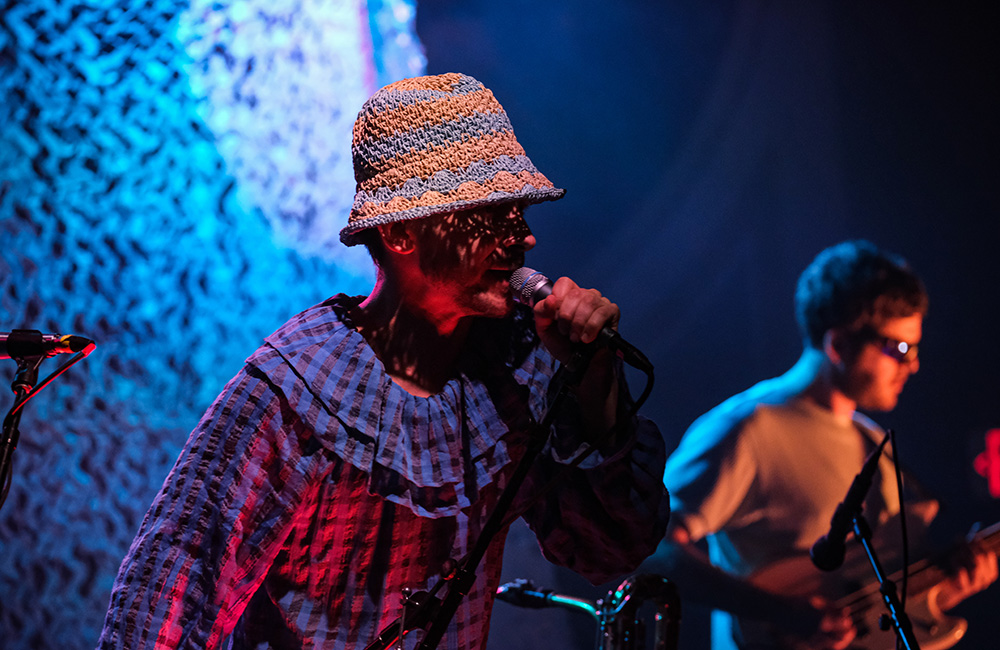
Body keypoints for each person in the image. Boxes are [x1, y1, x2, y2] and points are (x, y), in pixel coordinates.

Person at [95, 72, 670, 650]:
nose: (521, 237)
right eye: (490, 211)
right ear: (400, 232)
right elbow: (172, 587)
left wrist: (595, 384)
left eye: (518, 209)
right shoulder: (297, 386)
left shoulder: (517, 367)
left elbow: (610, 550)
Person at [643, 240, 997, 650]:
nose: (913, 364)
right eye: (899, 348)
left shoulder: (875, 444)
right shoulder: (750, 427)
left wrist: (950, 586)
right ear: (839, 345)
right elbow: (654, 548)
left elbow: (874, 604)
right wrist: (781, 611)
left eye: (915, 349)